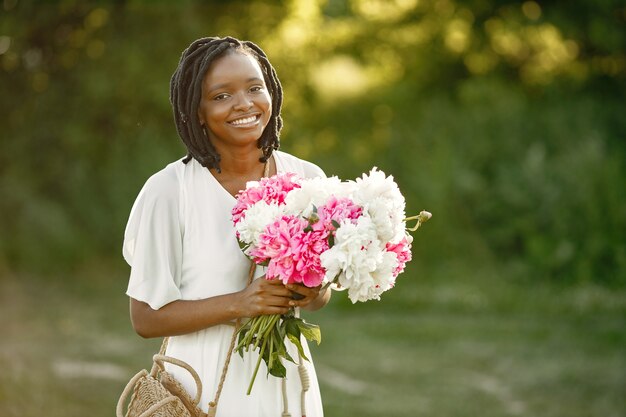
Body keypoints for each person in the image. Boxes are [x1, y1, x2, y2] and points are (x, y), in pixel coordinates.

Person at [122, 36, 330, 417]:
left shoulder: (307, 179)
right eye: (221, 96)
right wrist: (239, 303)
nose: (244, 104)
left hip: (286, 380)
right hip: (200, 382)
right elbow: (145, 318)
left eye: (255, 88)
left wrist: (308, 289)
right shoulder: (170, 191)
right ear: (197, 110)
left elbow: (319, 298)